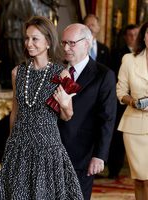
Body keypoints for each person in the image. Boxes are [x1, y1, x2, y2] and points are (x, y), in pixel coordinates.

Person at [0, 16, 83, 199]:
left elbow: (68, 116)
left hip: (47, 149)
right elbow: (15, 112)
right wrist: (11, 142)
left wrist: (65, 104)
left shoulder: (61, 74)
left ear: (48, 42)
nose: (29, 43)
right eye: (27, 38)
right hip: (19, 148)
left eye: (35, 39)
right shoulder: (18, 72)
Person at [58, 23, 117, 200]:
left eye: (71, 43)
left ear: (87, 43)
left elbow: (107, 118)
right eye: (63, 43)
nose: (66, 48)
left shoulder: (103, 75)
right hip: (52, 151)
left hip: (82, 154)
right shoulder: (56, 71)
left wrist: (100, 155)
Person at [116, 21, 148, 200]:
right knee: (141, 179)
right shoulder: (129, 60)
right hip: (134, 127)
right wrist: (133, 102)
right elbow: (120, 91)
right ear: (143, 36)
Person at [108, 24, 139, 179]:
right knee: (117, 139)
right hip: (124, 105)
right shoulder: (119, 54)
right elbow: (115, 82)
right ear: (126, 36)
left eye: (136, 34)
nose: (134, 37)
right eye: (130, 35)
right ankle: (114, 170)